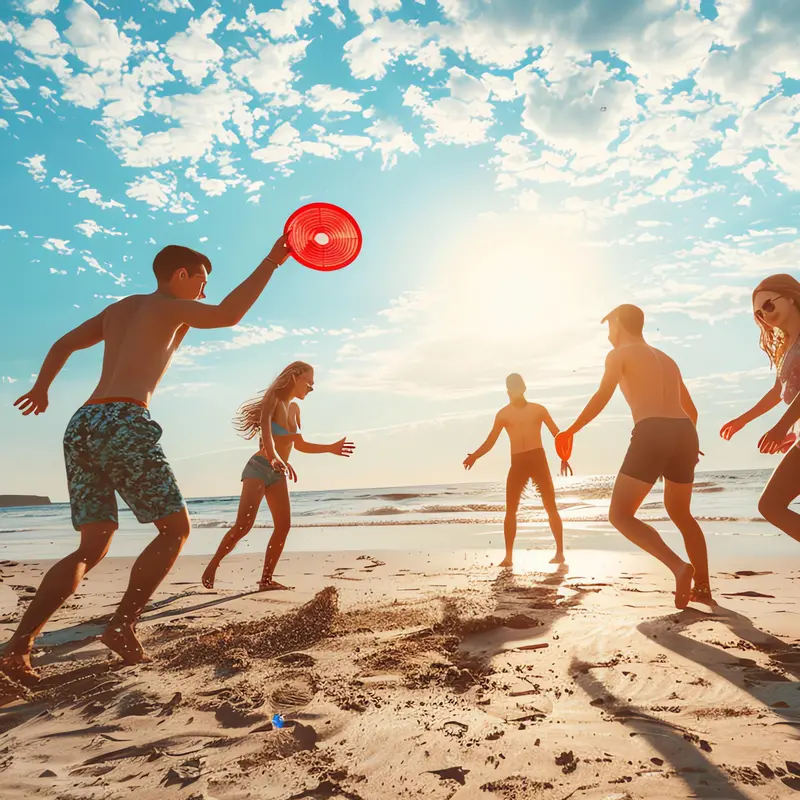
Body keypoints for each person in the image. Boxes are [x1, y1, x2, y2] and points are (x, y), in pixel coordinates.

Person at [0, 235, 291, 683]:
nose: (204, 291)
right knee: (176, 529)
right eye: (202, 281)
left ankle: (18, 648)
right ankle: (121, 625)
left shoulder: (120, 309)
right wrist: (274, 259)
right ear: (180, 276)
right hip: (125, 420)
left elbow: (62, 344)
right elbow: (229, 315)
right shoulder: (168, 306)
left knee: (92, 545)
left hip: (82, 423)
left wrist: (42, 388)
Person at [561, 304, 711, 609]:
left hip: (652, 430)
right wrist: (688, 444)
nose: (608, 336)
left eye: (608, 327)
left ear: (617, 322)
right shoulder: (667, 359)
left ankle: (679, 566)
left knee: (620, 514)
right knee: (682, 514)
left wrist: (572, 429)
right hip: (685, 431)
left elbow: (603, 394)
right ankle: (704, 589)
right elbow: (692, 410)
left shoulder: (619, 354)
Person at [201, 362, 355, 591]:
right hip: (259, 467)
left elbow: (300, 445)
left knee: (283, 526)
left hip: (277, 472)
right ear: (295, 377)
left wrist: (330, 448)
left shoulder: (295, 410)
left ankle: (266, 580)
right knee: (244, 525)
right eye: (309, 383)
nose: (311, 389)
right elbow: (265, 432)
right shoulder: (273, 398)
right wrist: (274, 457)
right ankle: (213, 565)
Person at [720, 274, 800, 544]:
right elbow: (779, 392)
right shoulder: (785, 344)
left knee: (771, 504)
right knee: (771, 505)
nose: (764, 314)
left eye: (768, 305)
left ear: (790, 298)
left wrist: (780, 428)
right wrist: (743, 420)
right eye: (758, 312)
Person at [463, 373, 571, 567]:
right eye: (510, 389)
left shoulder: (538, 410)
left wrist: (564, 457)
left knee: (550, 506)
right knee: (510, 509)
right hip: (518, 461)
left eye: (515, 388)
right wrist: (474, 456)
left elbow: (558, 435)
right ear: (507, 392)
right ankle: (508, 557)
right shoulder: (503, 415)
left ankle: (560, 553)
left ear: (523, 389)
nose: (512, 392)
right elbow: (491, 441)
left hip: (538, 459)